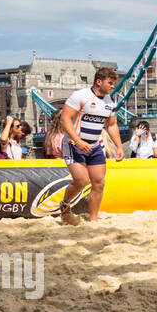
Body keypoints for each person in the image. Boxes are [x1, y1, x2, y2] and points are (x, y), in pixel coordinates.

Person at [60, 67, 124, 223]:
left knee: (99, 182)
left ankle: (93, 220)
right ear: (99, 81)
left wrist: (119, 147)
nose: (112, 86)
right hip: (73, 144)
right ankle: (65, 203)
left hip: (95, 146)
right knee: (82, 181)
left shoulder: (110, 101)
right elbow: (65, 119)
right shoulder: (80, 96)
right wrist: (78, 141)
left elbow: (111, 125)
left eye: (113, 83)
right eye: (110, 83)